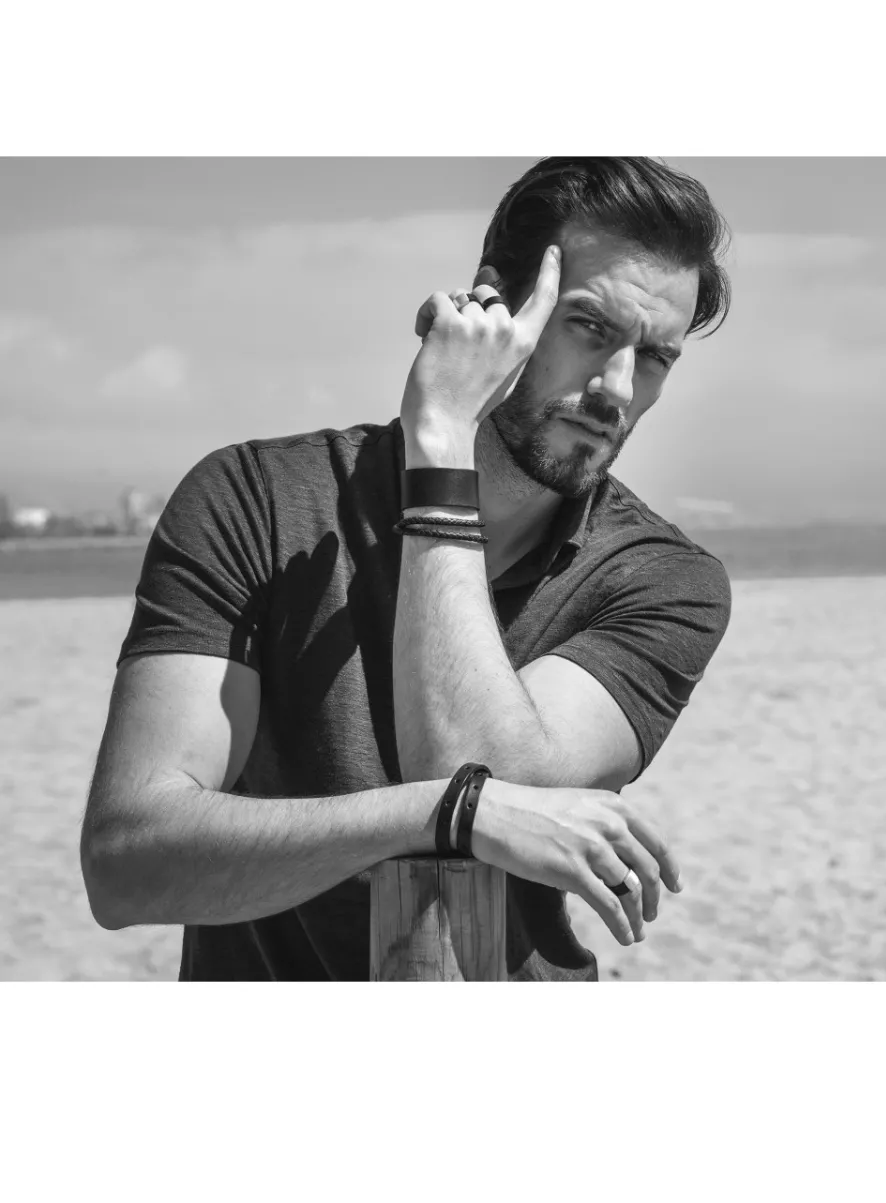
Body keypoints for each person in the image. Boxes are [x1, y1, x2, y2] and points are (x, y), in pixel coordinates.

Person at [80, 156, 734, 981]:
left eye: (655, 357)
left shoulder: (660, 578)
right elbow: (127, 864)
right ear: (492, 305)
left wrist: (442, 456)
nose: (618, 389)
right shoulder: (254, 500)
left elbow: (474, 765)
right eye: (590, 329)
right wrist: (436, 814)